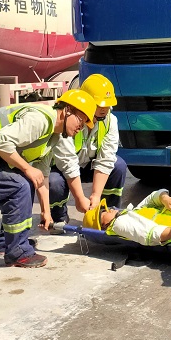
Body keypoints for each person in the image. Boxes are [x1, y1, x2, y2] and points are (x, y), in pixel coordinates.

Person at [0, 90, 97, 269]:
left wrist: (45, 212)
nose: (80, 128)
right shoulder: (40, 120)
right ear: (67, 110)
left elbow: (42, 175)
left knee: (25, 182)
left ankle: (10, 243)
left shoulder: (54, 136)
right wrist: (27, 168)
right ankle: (17, 251)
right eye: (81, 120)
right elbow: (3, 143)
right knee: (18, 186)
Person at [48, 74, 128, 230]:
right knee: (54, 181)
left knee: (118, 165)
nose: (104, 109)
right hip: (61, 168)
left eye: (107, 104)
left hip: (87, 165)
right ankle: (58, 217)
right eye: (99, 104)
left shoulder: (111, 121)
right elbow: (68, 162)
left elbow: (106, 159)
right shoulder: (69, 118)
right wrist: (79, 198)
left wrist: (96, 196)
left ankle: (108, 214)